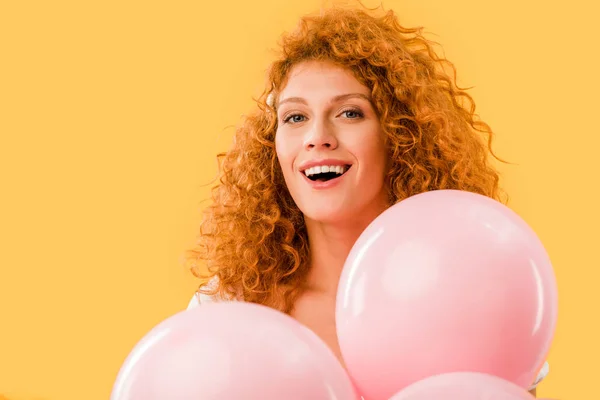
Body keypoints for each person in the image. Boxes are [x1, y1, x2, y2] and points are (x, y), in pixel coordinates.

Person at [184, 4, 549, 395]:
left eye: (349, 113)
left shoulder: (471, 294)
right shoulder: (226, 308)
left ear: (399, 135)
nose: (317, 136)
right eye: (295, 117)